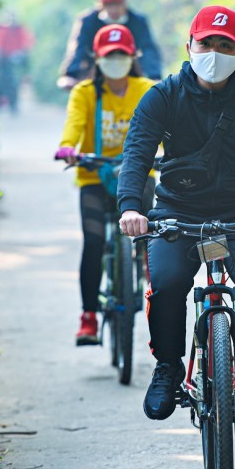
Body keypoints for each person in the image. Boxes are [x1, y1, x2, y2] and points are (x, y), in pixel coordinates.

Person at [117, 5, 235, 427]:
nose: (215, 53)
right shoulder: (162, 96)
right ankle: (167, 368)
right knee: (165, 285)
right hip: (176, 214)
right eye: (207, 43)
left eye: (226, 46)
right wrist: (131, 206)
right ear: (189, 46)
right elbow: (137, 153)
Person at [54, 24, 156, 346]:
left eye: (121, 54)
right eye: (109, 54)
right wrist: (69, 149)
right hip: (94, 174)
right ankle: (88, 317)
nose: (115, 59)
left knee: (151, 236)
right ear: (97, 58)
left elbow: (166, 126)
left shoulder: (148, 89)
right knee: (94, 241)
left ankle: (155, 286)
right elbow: (73, 126)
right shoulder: (85, 92)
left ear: (132, 57)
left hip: (139, 174)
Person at [57, 0, 163, 89]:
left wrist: (154, 75)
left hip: (129, 76)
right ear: (100, 3)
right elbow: (79, 48)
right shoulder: (87, 21)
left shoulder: (137, 21)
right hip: (95, 76)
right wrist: (70, 74)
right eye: (108, 5)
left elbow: (148, 49)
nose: (114, 9)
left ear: (125, 1)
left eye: (118, 4)